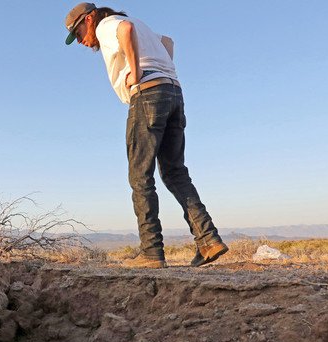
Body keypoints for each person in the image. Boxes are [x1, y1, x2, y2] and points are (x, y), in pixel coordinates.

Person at [64, 3, 228, 268]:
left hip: (147, 95)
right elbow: (168, 41)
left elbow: (125, 29)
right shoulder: (143, 26)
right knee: (175, 172)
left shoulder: (107, 25)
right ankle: (208, 240)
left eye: (79, 32)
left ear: (89, 19)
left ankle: (151, 252)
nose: (81, 40)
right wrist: (163, 71)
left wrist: (137, 72)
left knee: (140, 175)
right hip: (173, 92)